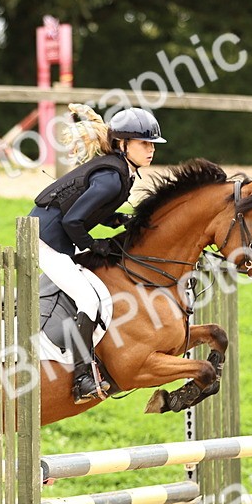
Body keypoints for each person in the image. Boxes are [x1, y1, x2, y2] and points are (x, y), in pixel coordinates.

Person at [30, 105, 165, 403]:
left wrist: (117, 220)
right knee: (89, 299)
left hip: (62, 235)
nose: (151, 150)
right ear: (122, 144)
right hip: (46, 239)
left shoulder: (122, 172)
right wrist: (94, 244)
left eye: (152, 144)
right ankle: (81, 378)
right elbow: (72, 220)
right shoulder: (112, 177)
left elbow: (93, 210)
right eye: (144, 143)